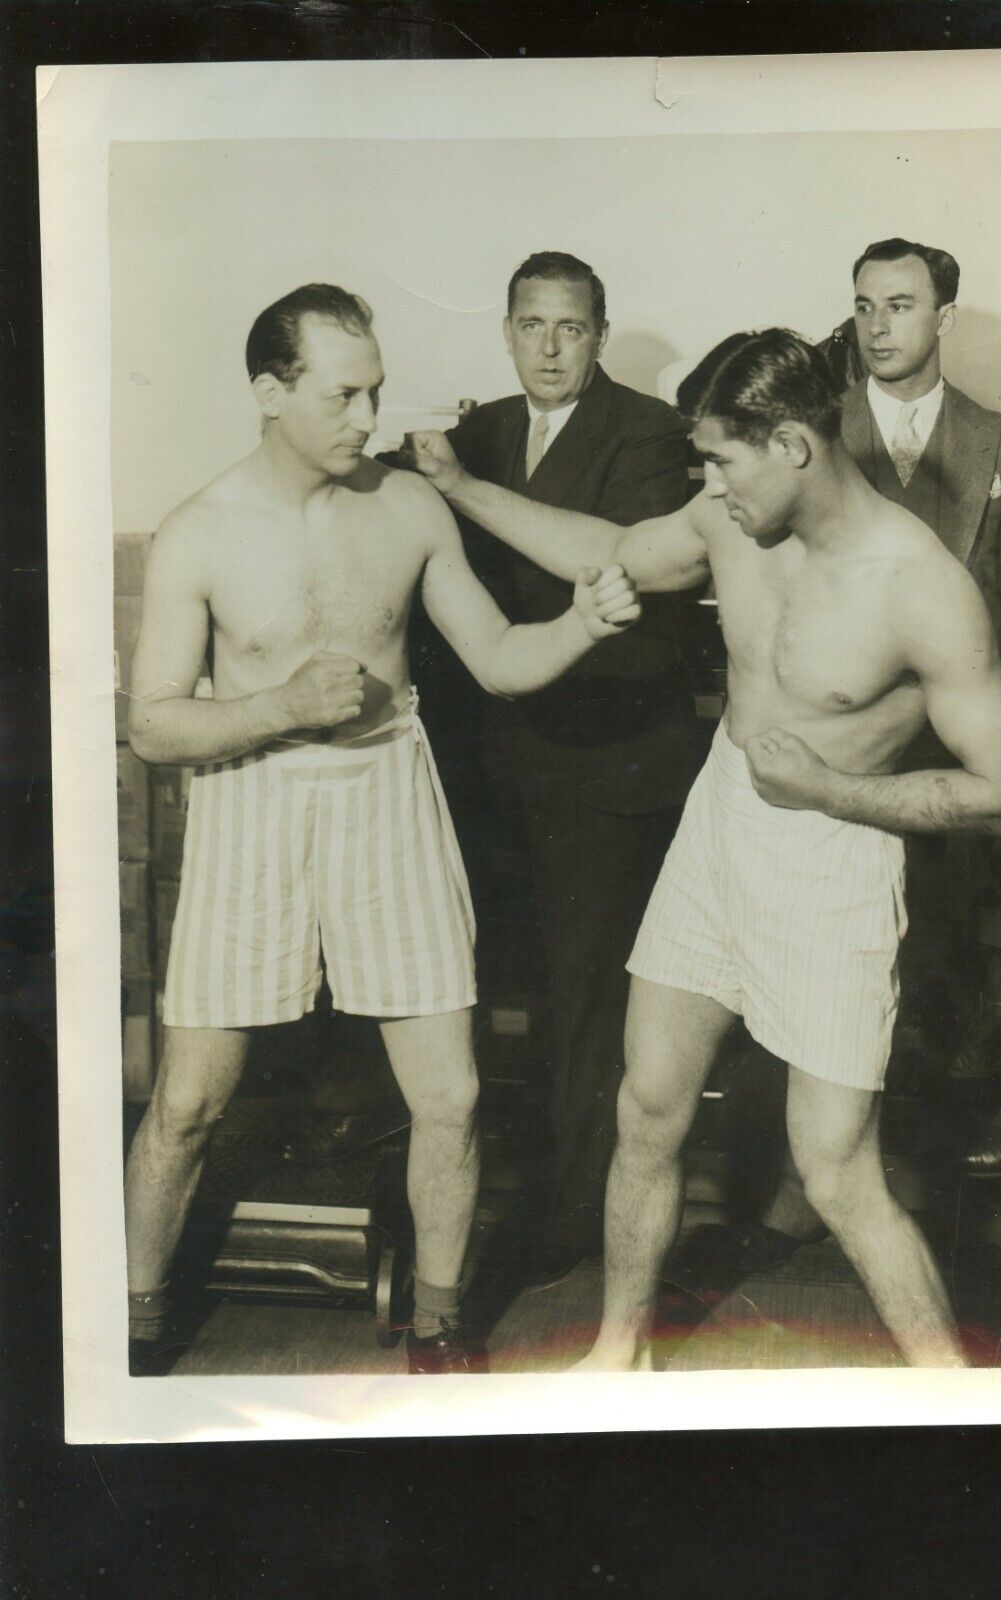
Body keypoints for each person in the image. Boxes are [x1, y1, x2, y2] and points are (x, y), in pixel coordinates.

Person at [403, 327, 1001, 1369]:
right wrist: (459, 484)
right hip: (719, 827)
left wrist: (833, 787)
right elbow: (604, 551)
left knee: (834, 1170)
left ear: (792, 444)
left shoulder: (916, 586)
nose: (706, 483)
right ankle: (619, 1356)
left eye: (720, 459)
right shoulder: (727, 519)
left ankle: (968, 1406)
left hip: (835, 854)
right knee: (647, 1103)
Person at [122, 283, 641, 1375]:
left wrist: (584, 623)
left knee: (448, 1091)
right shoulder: (200, 531)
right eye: (342, 394)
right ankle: (135, 1313)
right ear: (271, 392)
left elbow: (499, 660)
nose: (369, 417)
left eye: (375, 390)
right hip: (250, 792)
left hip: (387, 796)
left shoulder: (408, 508)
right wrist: (277, 707)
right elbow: (155, 724)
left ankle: (442, 1318)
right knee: (187, 1100)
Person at [378, 251, 701, 1282]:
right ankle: (476, 1204)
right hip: (491, 765)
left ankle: (571, 1238)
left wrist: (457, 488)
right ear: (506, 331)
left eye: (570, 327)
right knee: (472, 985)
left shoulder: (649, 433)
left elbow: (615, 562)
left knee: (582, 1007)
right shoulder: (473, 434)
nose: (550, 347)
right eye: (531, 325)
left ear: (600, 333)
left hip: (606, 771)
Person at [740, 239, 1001, 1269]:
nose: (879, 326)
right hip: (844, 756)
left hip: (954, 758)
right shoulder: (815, 432)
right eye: (863, 306)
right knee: (837, 972)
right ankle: (812, 1185)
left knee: (945, 967)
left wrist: (946, 696)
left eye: (902, 305)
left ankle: (935, 1192)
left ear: (943, 318)